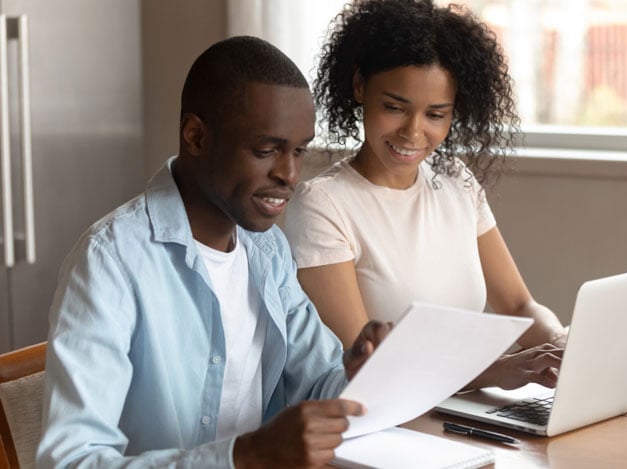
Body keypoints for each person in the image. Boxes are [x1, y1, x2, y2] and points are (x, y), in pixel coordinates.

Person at [37, 36, 390, 468]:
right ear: (196, 136)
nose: (289, 174)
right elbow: (70, 461)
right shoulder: (111, 262)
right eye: (266, 150)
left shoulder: (267, 250)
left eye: (299, 151)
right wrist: (246, 456)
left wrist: (359, 373)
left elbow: (318, 382)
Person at [284, 0, 567, 391]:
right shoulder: (322, 206)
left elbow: (519, 305)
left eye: (436, 114)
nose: (413, 133)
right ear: (359, 85)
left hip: (465, 409)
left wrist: (563, 345)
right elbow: (364, 365)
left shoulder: (456, 182)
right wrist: (500, 371)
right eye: (394, 107)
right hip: (390, 423)